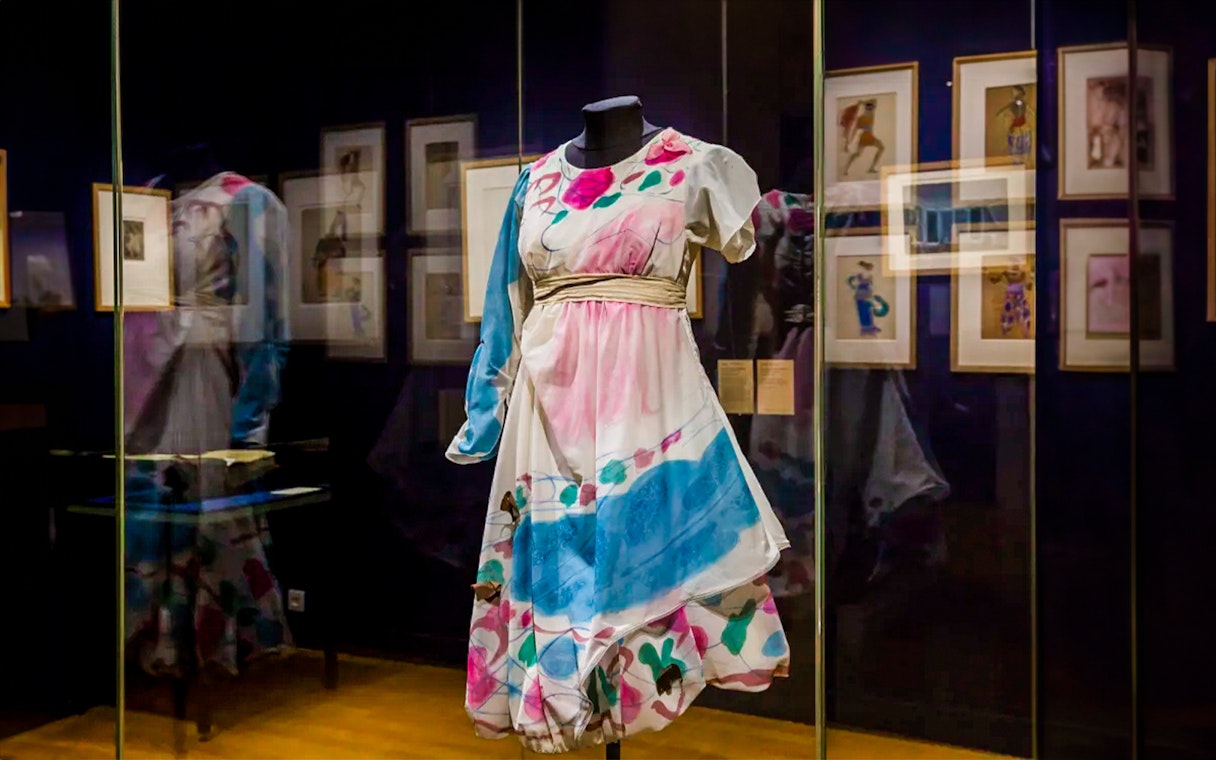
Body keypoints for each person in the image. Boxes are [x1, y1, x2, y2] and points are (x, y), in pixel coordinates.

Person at [840, 99, 885, 176]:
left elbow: (874, 101)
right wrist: (848, 143)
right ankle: (847, 168)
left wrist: (862, 103)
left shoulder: (868, 115)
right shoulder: (866, 116)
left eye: (871, 108)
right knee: (858, 154)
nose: (871, 109)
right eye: (870, 108)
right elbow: (854, 131)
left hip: (867, 136)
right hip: (865, 137)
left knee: (858, 153)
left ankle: (847, 168)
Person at [993, 85, 1034, 165]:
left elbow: (1031, 111)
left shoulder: (1024, 105)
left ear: (1021, 93)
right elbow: (1002, 111)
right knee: (1015, 151)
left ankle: (1023, 164)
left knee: (1024, 149)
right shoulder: (1012, 104)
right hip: (1015, 130)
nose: (1014, 93)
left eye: (1015, 92)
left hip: (1023, 129)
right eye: (1013, 92)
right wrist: (1001, 114)